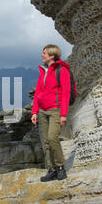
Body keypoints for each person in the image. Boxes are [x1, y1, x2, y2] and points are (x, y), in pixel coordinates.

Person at [31, 44, 71, 181]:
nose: (42, 55)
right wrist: (34, 112)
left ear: (52, 55)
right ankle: (51, 170)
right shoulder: (43, 71)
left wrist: (63, 114)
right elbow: (37, 93)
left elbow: (66, 93)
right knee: (46, 141)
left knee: (53, 138)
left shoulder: (62, 70)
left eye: (44, 53)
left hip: (56, 109)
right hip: (42, 111)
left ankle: (60, 168)